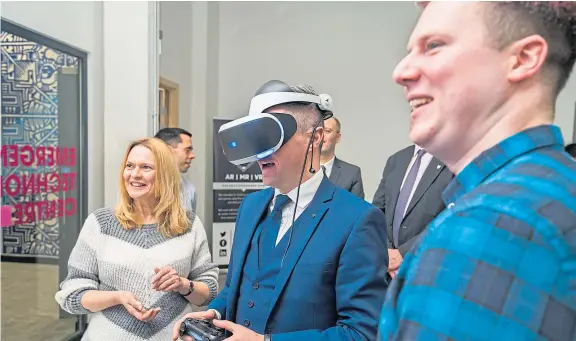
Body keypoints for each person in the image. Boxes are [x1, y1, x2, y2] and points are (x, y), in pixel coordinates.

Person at [378, 1, 576, 340]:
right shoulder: (557, 189)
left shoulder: (491, 225)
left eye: (434, 46)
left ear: (523, 58)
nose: (402, 71)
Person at [173, 83, 388, 341]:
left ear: (315, 137)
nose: (260, 151)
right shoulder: (250, 207)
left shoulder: (357, 219)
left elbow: (362, 333)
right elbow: (235, 287)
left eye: (271, 135)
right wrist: (214, 314)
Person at [55, 137, 219, 340]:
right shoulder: (100, 223)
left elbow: (208, 290)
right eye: (129, 166)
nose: (134, 174)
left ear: (165, 175)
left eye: (146, 167)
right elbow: (72, 295)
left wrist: (182, 284)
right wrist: (116, 297)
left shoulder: (189, 224)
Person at [371, 144, 452, 279]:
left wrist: (403, 253)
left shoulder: (452, 160)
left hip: (425, 268)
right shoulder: (396, 159)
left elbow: (450, 217)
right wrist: (387, 251)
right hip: (386, 269)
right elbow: (377, 211)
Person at [320, 116, 365, 199]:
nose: (321, 136)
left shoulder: (351, 173)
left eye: (327, 131)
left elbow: (357, 209)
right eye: (318, 131)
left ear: (338, 137)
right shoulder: (298, 170)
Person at [155, 128, 197, 214]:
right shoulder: (141, 187)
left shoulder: (189, 190)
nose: (192, 155)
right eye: (187, 150)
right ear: (168, 151)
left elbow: (190, 225)